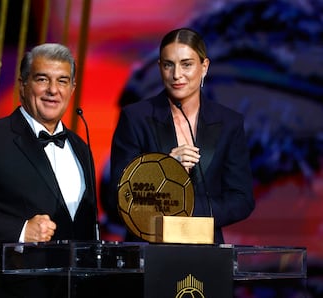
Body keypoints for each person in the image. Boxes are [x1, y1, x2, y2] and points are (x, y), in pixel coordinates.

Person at [0, 43, 98, 297]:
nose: (53, 90)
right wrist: (20, 230)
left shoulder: (81, 147)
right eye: (42, 79)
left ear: (72, 88)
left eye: (62, 81)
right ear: (23, 84)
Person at [108, 28, 255, 244]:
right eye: (169, 65)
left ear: (204, 67)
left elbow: (241, 199)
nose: (177, 75)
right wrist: (164, 168)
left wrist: (187, 210)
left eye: (186, 64)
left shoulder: (229, 123)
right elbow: (118, 196)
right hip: (148, 253)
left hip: (205, 253)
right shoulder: (135, 118)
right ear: (160, 68)